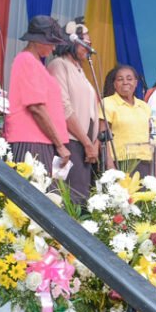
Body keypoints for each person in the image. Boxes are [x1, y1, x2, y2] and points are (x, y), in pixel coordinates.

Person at [5, 15, 70, 172]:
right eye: (51, 43)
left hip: (40, 141)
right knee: (34, 192)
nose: (54, 48)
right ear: (38, 40)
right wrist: (59, 145)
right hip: (31, 141)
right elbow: (36, 108)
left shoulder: (35, 63)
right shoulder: (26, 60)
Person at [47, 19, 100, 203]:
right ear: (71, 41)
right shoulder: (59, 65)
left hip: (85, 145)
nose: (88, 47)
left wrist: (94, 143)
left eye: (90, 44)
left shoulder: (81, 70)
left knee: (81, 199)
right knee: (70, 200)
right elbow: (63, 107)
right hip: (71, 142)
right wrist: (86, 142)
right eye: (85, 43)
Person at [101, 64, 152, 175]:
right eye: (120, 79)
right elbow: (103, 139)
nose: (125, 82)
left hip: (145, 162)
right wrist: (109, 165)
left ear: (136, 82)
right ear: (114, 84)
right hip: (120, 162)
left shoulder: (145, 106)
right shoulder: (107, 103)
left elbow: (152, 137)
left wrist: (155, 166)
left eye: (129, 79)